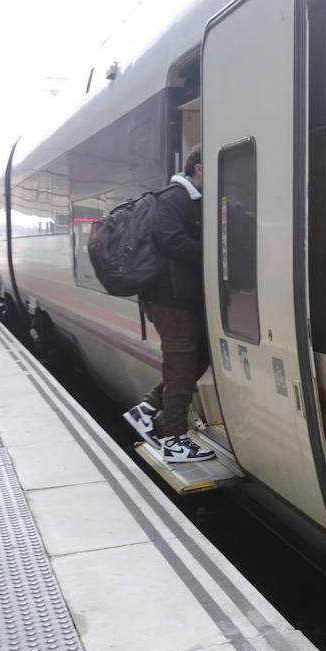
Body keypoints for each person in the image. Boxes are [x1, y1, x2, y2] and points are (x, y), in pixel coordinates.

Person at [123, 146, 216, 462]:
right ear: (200, 169)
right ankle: (174, 440)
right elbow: (169, 239)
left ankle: (148, 407)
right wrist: (213, 253)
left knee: (199, 356)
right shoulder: (175, 197)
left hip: (180, 301)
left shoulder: (191, 200)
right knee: (180, 367)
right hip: (170, 302)